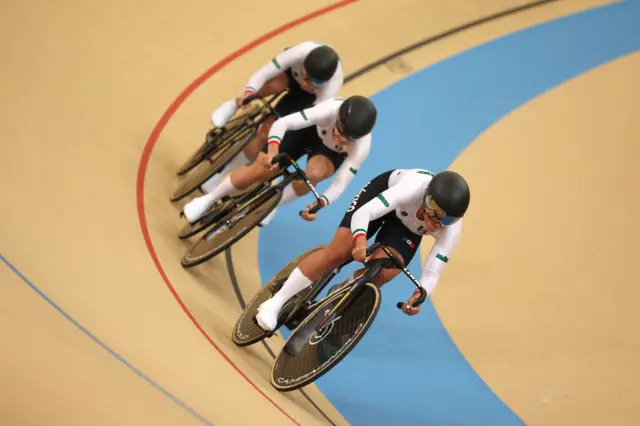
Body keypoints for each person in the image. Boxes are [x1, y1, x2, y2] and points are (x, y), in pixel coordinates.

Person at [254, 168, 471, 331]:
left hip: (407, 228)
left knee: (387, 270)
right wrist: (359, 242)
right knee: (339, 252)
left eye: (447, 221)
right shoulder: (411, 189)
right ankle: (275, 303)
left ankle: (340, 293)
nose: (436, 226)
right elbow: (364, 214)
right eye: (433, 216)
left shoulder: (450, 229)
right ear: (426, 199)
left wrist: (419, 295)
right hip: (380, 199)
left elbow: (432, 273)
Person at [182, 95, 378, 225]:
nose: (342, 140)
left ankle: (274, 203)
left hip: (327, 153)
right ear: (337, 121)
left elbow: (340, 184)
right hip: (305, 133)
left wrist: (320, 203)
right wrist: (272, 153)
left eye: (350, 138)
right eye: (342, 132)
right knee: (261, 170)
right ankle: (208, 199)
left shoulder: (362, 146)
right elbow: (282, 123)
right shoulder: (327, 110)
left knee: (315, 175)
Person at [199, 41, 344, 194]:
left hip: (309, 98)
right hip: (289, 73)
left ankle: (221, 174)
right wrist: (249, 93)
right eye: (306, 77)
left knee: (264, 135)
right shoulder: (298, 53)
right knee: (273, 86)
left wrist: (281, 124)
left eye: (315, 82)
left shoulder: (331, 87)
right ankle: (232, 105)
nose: (306, 84)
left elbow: (310, 119)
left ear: (325, 82)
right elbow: (263, 73)